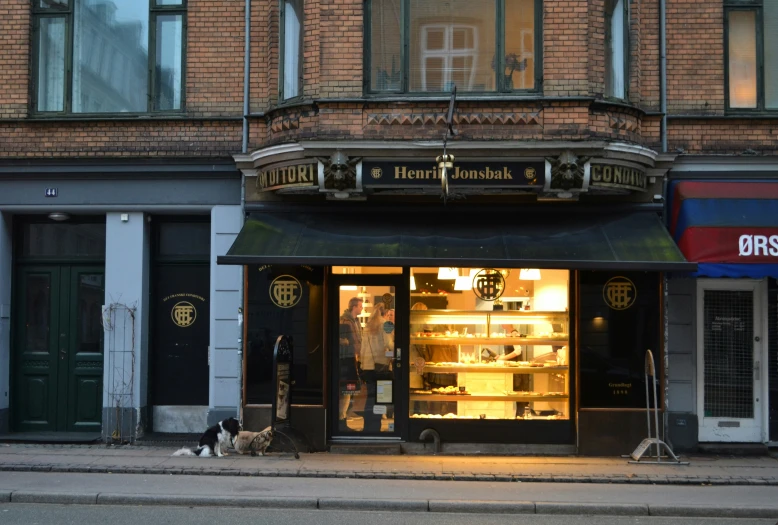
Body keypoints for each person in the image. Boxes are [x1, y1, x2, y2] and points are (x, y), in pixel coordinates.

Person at [361, 302, 391, 432]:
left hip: (367, 367)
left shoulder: (367, 326)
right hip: (381, 367)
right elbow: (389, 344)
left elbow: (363, 348)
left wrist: (362, 364)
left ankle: (369, 426)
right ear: (385, 313)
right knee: (382, 398)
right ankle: (376, 426)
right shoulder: (386, 324)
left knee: (370, 397)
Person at [338, 297, 362, 425]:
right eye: (360, 306)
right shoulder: (345, 321)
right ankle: (341, 418)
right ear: (354, 307)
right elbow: (339, 338)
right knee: (346, 389)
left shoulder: (355, 321)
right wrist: (344, 342)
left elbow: (357, 339)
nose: (362, 308)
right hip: (346, 358)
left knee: (348, 389)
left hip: (353, 357)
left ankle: (343, 416)